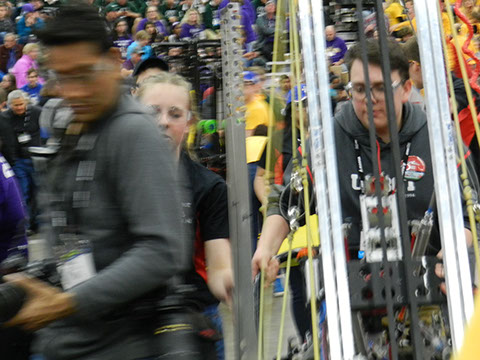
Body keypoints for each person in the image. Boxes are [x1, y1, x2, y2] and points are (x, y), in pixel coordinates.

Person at [252, 38, 474, 341]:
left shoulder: (440, 139)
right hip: (349, 299)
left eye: (382, 88)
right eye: (359, 89)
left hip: (429, 295)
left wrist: (456, 248)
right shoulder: (325, 141)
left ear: (407, 87)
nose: (370, 99)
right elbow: (289, 200)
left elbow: (468, 214)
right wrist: (266, 248)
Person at [2, 4, 190, 360]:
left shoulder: (133, 131)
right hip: (72, 338)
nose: (72, 92)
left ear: (115, 59)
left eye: (84, 75)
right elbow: (73, 231)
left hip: (122, 343)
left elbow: (161, 251)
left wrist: (67, 303)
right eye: (61, 77)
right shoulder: (78, 123)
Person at [137, 72, 233, 360]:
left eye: (175, 114)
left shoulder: (209, 187)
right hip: (130, 321)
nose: (163, 121)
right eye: (152, 111)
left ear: (189, 121)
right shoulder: (113, 178)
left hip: (192, 317)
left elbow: (217, 265)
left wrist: (230, 283)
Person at [0, 90, 41, 230]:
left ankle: (39, 223)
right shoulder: (3, 118)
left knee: (38, 192)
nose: (19, 107)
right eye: (15, 105)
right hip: (17, 161)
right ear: (9, 105)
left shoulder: (36, 112)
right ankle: (26, 225)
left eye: (21, 104)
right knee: (22, 193)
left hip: (35, 158)